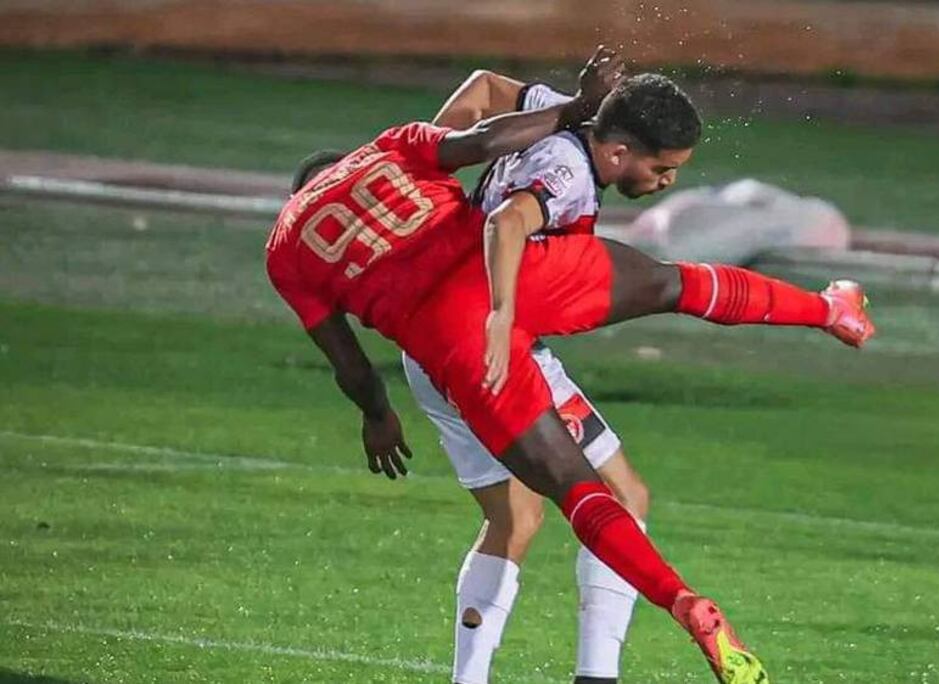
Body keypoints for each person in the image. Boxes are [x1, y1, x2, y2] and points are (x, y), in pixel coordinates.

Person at [267, 46, 873, 684]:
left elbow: (349, 364)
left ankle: (667, 605)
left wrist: (377, 415)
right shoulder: (396, 155)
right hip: (508, 289)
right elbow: (483, 135)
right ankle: (829, 310)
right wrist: (576, 108)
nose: (668, 179)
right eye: (662, 167)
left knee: (548, 502)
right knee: (674, 291)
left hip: (443, 352)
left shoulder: (287, 249)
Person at [401, 68, 699, 684]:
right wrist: (503, 313)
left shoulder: (562, 114)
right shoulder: (570, 175)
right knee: (623, 497)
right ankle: (597, 676)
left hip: (431, 347)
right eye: (662, 169)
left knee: (515, 517)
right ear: (619, 151)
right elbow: (507, 220)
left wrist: (431, 164)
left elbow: (483, 86)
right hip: (493, 349)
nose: (667, 183)